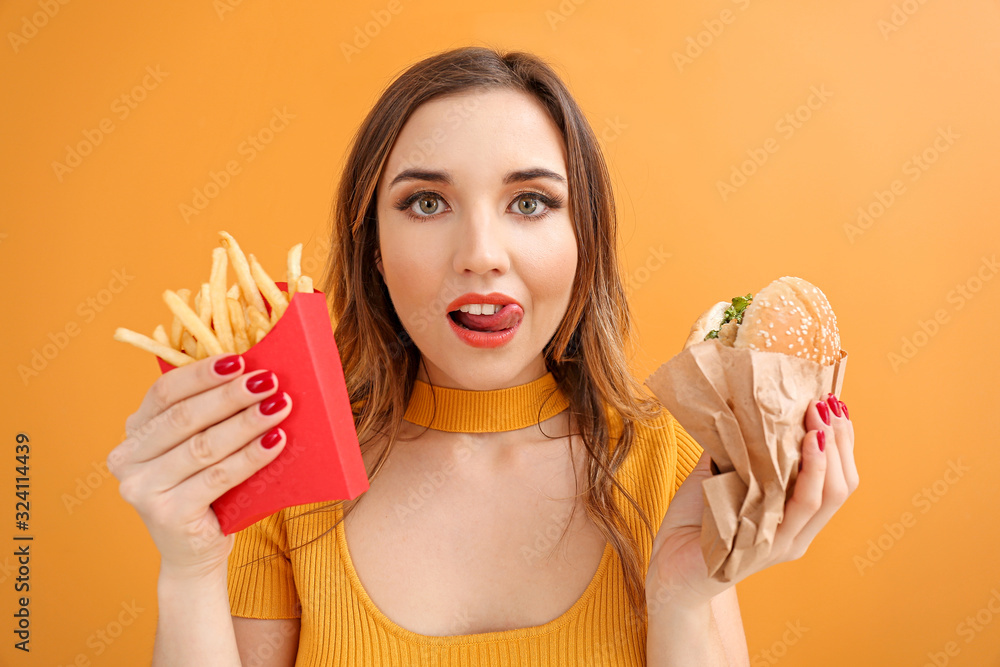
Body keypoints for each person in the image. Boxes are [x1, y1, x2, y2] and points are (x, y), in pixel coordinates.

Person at [108, 46, 858, 666]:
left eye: (529, 201)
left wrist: (682, 599)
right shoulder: (286, 465)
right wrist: (191, 567)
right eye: (427, 203)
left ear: (583, 239)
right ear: (372, 245)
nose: (480, 255)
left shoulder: (670, 460)